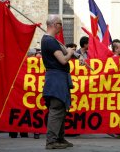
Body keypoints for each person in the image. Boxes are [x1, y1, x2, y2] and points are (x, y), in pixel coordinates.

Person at [41, 14, 75, 149]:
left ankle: (59, 138)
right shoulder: (50, 41)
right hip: (56, 79)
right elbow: (63, 60)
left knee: (60, 109)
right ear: (55, 25)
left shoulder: (49, 40)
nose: (61, 27)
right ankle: (51, 141)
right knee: (56, 109)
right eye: (60, 24)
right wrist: (71, 52)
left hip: (57, 78)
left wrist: (71, 53)